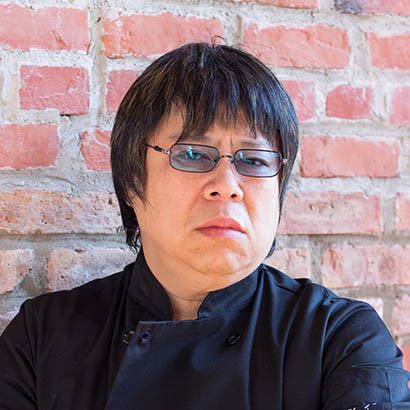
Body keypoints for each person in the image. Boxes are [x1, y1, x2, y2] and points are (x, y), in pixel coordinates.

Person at [0, 42, 409, 410]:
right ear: (130, 182)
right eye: (193, 153)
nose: (227, 187)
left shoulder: (338, 340)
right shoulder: (43, 340)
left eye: (254, 160)